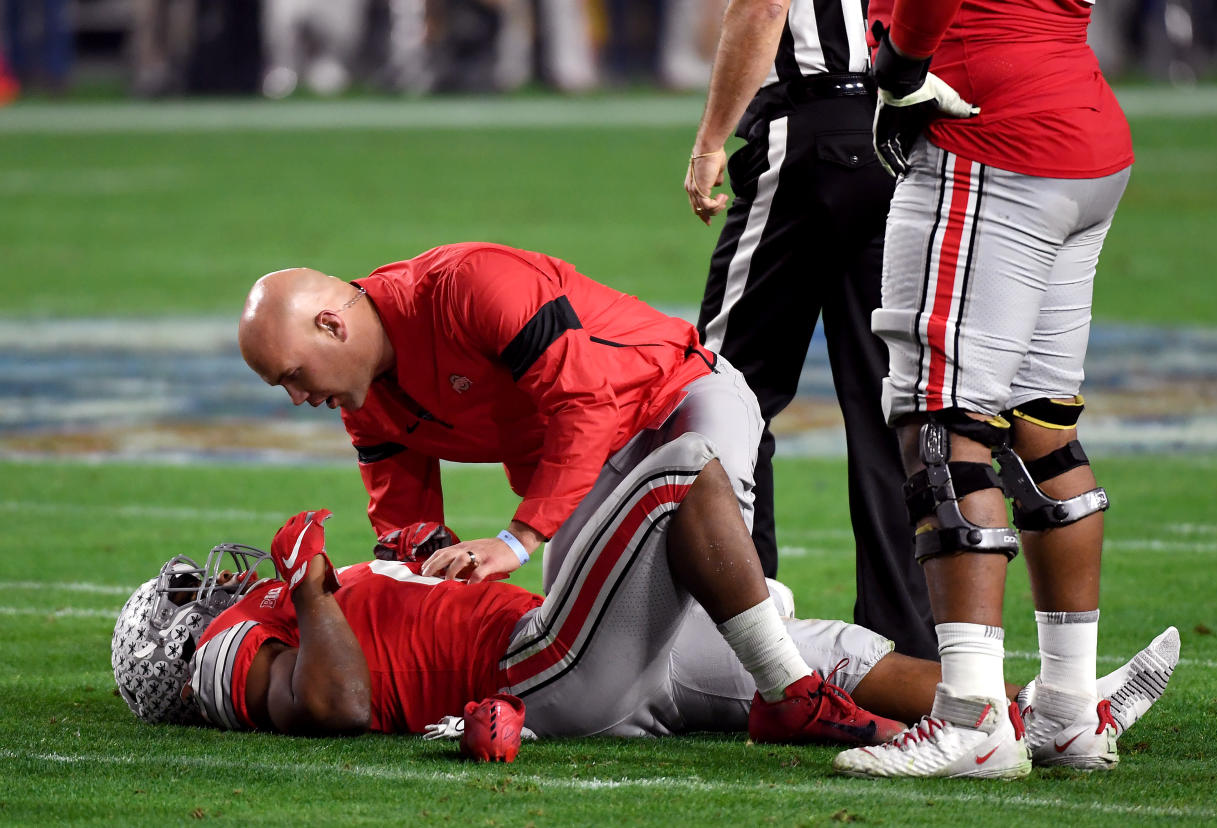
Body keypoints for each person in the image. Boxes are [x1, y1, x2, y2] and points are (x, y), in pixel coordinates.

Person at [235, 242, 904, 744]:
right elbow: (406, 532)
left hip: (678, 400)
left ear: (332, 324)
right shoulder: (365, 402)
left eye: (293, 375)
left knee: (685, 480)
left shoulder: (467, 285)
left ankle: (785, 685)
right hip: (588, 464)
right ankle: (759, 621)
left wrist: (516, 539)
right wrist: (434, 574)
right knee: (581, 639)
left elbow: (583, 402)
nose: (298, 398)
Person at [111, 504, 1180, 757]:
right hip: (549, 660)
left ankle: (1057, 716)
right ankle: (1044, 717)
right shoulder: (228, 657)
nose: (213, 584)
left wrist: (425, 554)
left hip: (547, 634)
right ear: (180, 643)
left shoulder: (255, 625)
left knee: (835, 648)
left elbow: (384, 623)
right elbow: (338, 702)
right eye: (191, 592)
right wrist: (306, 591)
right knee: (668, 473)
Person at [830, 0, 1137, 779]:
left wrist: (898, 70)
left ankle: (972, 719)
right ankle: (1067, 710)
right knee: (1042, 427)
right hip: (1079, 121)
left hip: (988, 132)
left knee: (943, 427)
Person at [683, 0, 938, 661]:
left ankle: (743, 636)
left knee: (720, 393)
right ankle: (904, 647)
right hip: (897, 133)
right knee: (890, 404)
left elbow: (765, 7)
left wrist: (711, 140)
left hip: (809, 129)